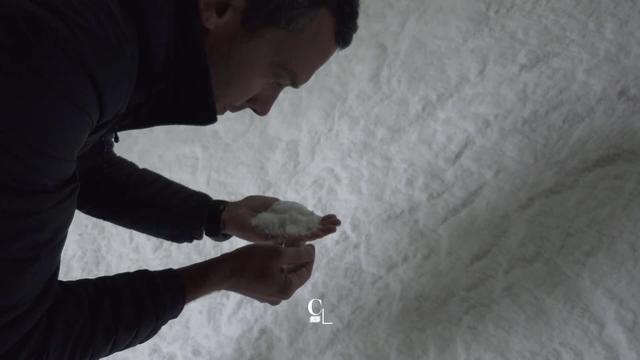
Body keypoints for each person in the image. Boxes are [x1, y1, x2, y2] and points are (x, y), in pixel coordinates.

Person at [0, 0, 359, 358]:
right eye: (277, 76)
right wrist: (222, 274)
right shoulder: (61, 64)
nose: (264, 107)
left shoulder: (107, 36)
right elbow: (19, 340)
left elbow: (79, 158)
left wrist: (218, 215)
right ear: (219, 8)